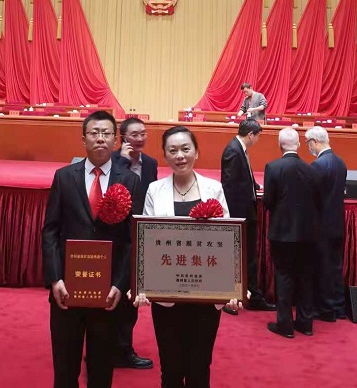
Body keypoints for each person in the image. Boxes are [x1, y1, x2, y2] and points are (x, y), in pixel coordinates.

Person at [42, 110, 141, 388]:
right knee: (65, 370)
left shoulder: (129, 181)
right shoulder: (64, 177)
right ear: (83, 139)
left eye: (106, 133)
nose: (100, 138)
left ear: (115, 140)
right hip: (67, 290)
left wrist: (120, 284)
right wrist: (55, 279)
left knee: (101, 370)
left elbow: (131, 239)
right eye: (94, 133)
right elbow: (50, 231)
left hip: (108, 293)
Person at [140, 125, 238, 388]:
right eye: (172, 150)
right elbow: (146, 241)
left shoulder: (213, 188)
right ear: (165, 155)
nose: (180, 155)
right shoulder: (154, 190)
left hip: (206, 295)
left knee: (199, 368)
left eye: (185, 149)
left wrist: (233, 287)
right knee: (170, 369)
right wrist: (142, 284)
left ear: (196, 152)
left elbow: (227, 240)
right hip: (166, 296)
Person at [263, 127, 321, 338]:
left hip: (282, 232)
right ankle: (305, 324)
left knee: (284, 276)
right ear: (298, 145)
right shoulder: (312, 170)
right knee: (306, 277)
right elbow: (318, 201)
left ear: (279, 145)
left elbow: (268, 201)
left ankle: (285, 325)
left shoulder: (273, 167)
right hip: (308, 233)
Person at [111, 117, 157, 369]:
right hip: (115, 235)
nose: (140, 139)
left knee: (131, 297)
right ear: (123, 138)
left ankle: (123, 348)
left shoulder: (150, 163)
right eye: (134, 135)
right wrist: (122, 161)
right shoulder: (113, 161)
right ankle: (105, 347)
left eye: (143, 134)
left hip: (139, 234)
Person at [220, 119, 275, 312]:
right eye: (258, 136)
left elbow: (243, 178)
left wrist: (256, 186)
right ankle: (234, 298)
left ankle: (251, 295)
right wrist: (235, 220)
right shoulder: (233, 151)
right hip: (240, 215)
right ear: (251, 134)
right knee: (241, 257)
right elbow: (229, 187)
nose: (257, 140)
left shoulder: (238, 149)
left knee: (248, 257)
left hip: (245, 212)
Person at [306, 126, 348, 321]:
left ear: (315, 142)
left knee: (321, 269)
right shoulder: (341, 163)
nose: (308, 147)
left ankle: (325, 310)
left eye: (308, 143)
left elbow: (311, 197)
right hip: (337, 224)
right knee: (335, 268)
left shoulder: (317, 166)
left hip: (320, 226)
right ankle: (338, 307)